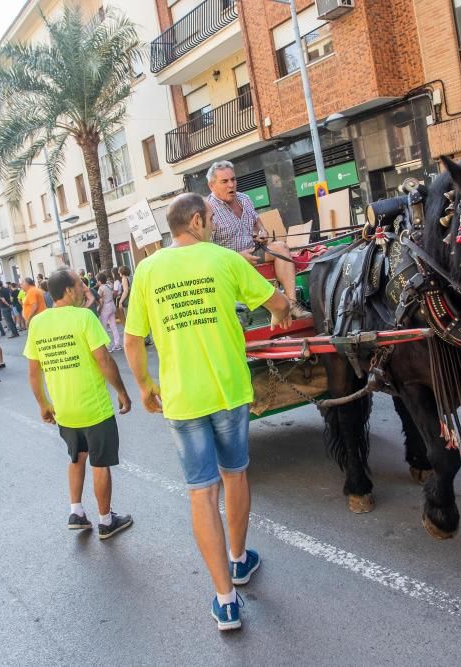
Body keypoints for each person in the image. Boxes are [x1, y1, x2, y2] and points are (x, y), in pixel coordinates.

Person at [124, 193, 291, 631]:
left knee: (202, 493)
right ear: (198, 221)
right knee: (235, 474)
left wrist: (144, 386)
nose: (213, 226)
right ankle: (239, 560)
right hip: (229, 391)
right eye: (210, 220)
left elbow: (131, 340)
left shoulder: (147, 269)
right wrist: (282, 316)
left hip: (181, 399)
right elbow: (276, 302)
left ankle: (226, 599)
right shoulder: (224, 260)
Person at [25, 268, 133, 540]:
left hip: (64, 409)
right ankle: (106, 521)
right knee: (99, 463)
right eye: (80, 286)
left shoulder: (37, 323)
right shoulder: (84, 317)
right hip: (93, 407)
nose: (84, 289)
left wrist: (43, 404)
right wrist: (122, 391)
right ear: (69, 291)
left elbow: (33, 371)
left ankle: (76, 511)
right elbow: (104, 360)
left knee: (76, 457)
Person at [206, 160, 310, 319]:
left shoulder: (245, 199)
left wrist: (262, 232)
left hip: (254, 253)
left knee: (281, 247)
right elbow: (207, 250)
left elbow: (258, 224)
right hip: (229, 266)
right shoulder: (207, 209)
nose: (231, 185)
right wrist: (236, 258)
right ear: (212, 185)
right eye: (224, 181)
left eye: (233, 179)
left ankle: (291, 304)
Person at [96, 272, 122, 352]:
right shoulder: (109, 285)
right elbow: (114, 293)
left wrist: (99, 309)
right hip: (112, 305)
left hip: (105, 307)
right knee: (113, 326)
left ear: (99, 281)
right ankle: (117, 344)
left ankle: (107, 346)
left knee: (103, 327)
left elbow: (100, 300)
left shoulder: (101, 288)